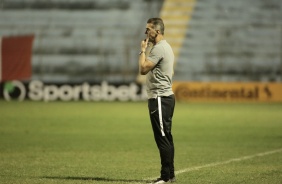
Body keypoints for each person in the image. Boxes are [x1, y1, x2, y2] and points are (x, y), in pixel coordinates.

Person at [138, 18, 176, 184]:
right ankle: (171, 175)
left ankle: (165, 177)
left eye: (148, 29)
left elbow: (143, 69)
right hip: (164, 97)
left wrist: (142, 51)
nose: (146, 33)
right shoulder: (164, 47)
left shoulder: (159, 48)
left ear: (157, 31)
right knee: (166, 137)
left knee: (162, 138)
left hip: (160, 98)